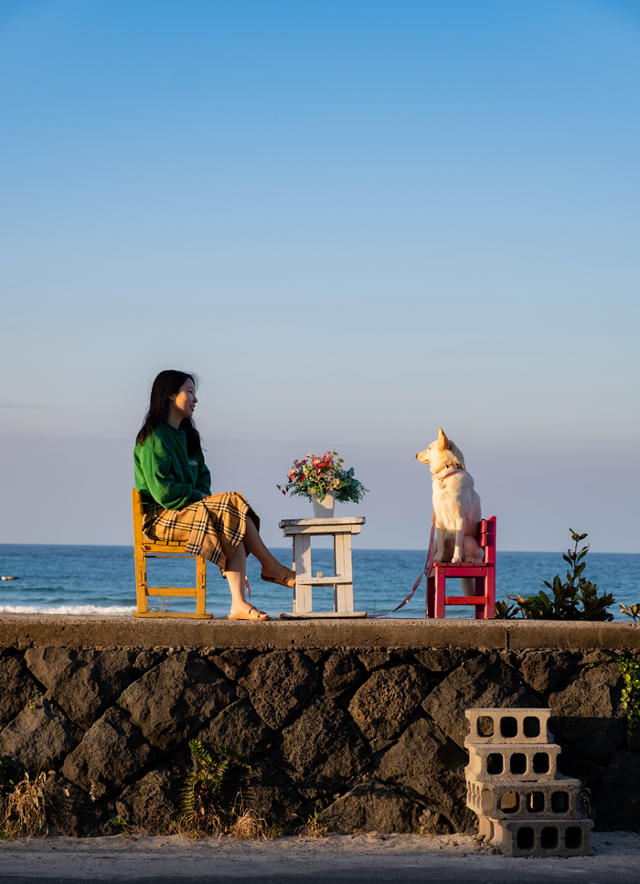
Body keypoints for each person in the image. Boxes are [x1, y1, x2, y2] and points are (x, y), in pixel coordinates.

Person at [134, 370, 295, 620]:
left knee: (232, 513)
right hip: (161, 517)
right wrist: (200, 499)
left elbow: (204, 480)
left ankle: (240, 604)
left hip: (188, 511)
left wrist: (202, 499)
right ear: (168, 395)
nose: (195, 399)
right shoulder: (153, 437)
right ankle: (270, 568)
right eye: (189, 392)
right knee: (232, 504)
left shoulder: (189, 438)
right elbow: (164, 492)